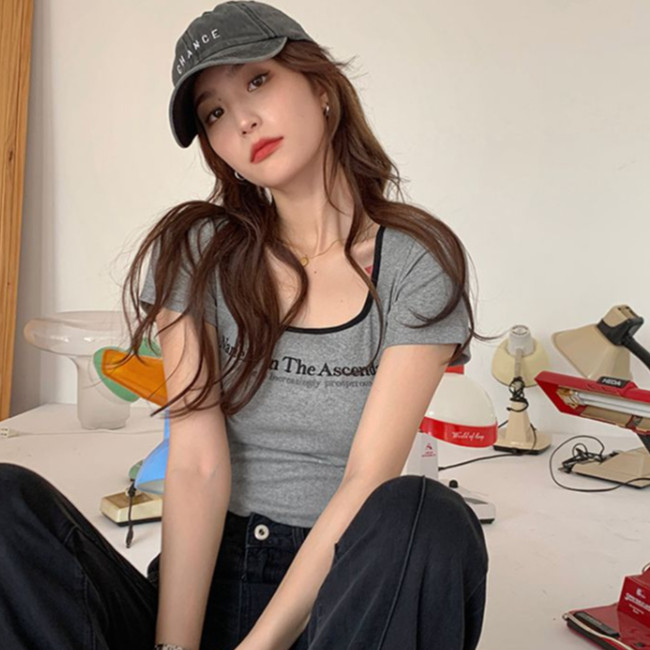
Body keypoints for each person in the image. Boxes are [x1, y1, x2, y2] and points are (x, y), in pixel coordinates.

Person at [0, 2, 488, 649]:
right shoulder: (198, 252)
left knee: (428, 516)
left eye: (258, 80)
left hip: (344, 594)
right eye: (215, 113)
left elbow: (367, 476)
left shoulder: (416, 262)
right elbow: (197, 463)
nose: (243, 120)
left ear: (320, 85)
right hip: (211, 580)